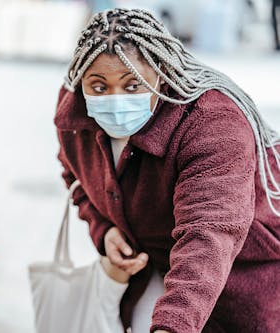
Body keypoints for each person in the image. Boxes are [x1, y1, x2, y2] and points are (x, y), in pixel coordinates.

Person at [55, 8, 280, 333]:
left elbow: (208, 236)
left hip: (239, 282)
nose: (115, 99)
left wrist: (173, 325)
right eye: (100, 86)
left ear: (160, 73)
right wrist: (102, 228)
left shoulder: (214, 123)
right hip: (152, 273)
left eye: (133, 85)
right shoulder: (75, 112)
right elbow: (73, 173)